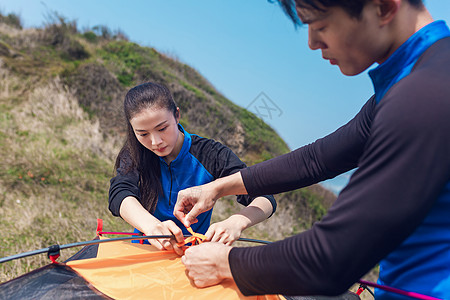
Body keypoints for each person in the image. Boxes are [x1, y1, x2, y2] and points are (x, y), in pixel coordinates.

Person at [176, 0, 450, 299]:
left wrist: (227, 263)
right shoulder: (418, 77)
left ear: (383, 7)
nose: (311, 42)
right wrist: (217, 188)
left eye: (320, 26)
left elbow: (332, 258)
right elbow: (317, 160)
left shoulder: (425, 94)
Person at [108, 82, 276, 256]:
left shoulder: (211, 154)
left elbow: (264, 196)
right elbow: (119, 194)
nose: (155, 141)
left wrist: (236, 222)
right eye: (143, 134)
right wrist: (152, 227)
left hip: (193, 257)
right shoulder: (135, 152)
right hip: (144, 254)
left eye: (162, 128)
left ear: (177, 115)